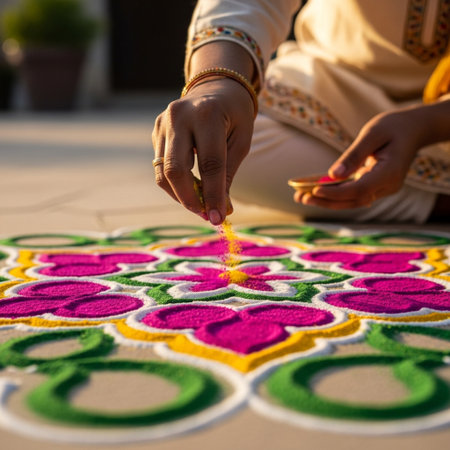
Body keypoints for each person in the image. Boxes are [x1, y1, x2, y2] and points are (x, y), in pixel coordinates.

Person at [152, 0, 450, 226]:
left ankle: (423, 198)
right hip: (339, 85)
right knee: (232, 147)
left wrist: (427, 125)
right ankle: (425, 193)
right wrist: (216, 81)